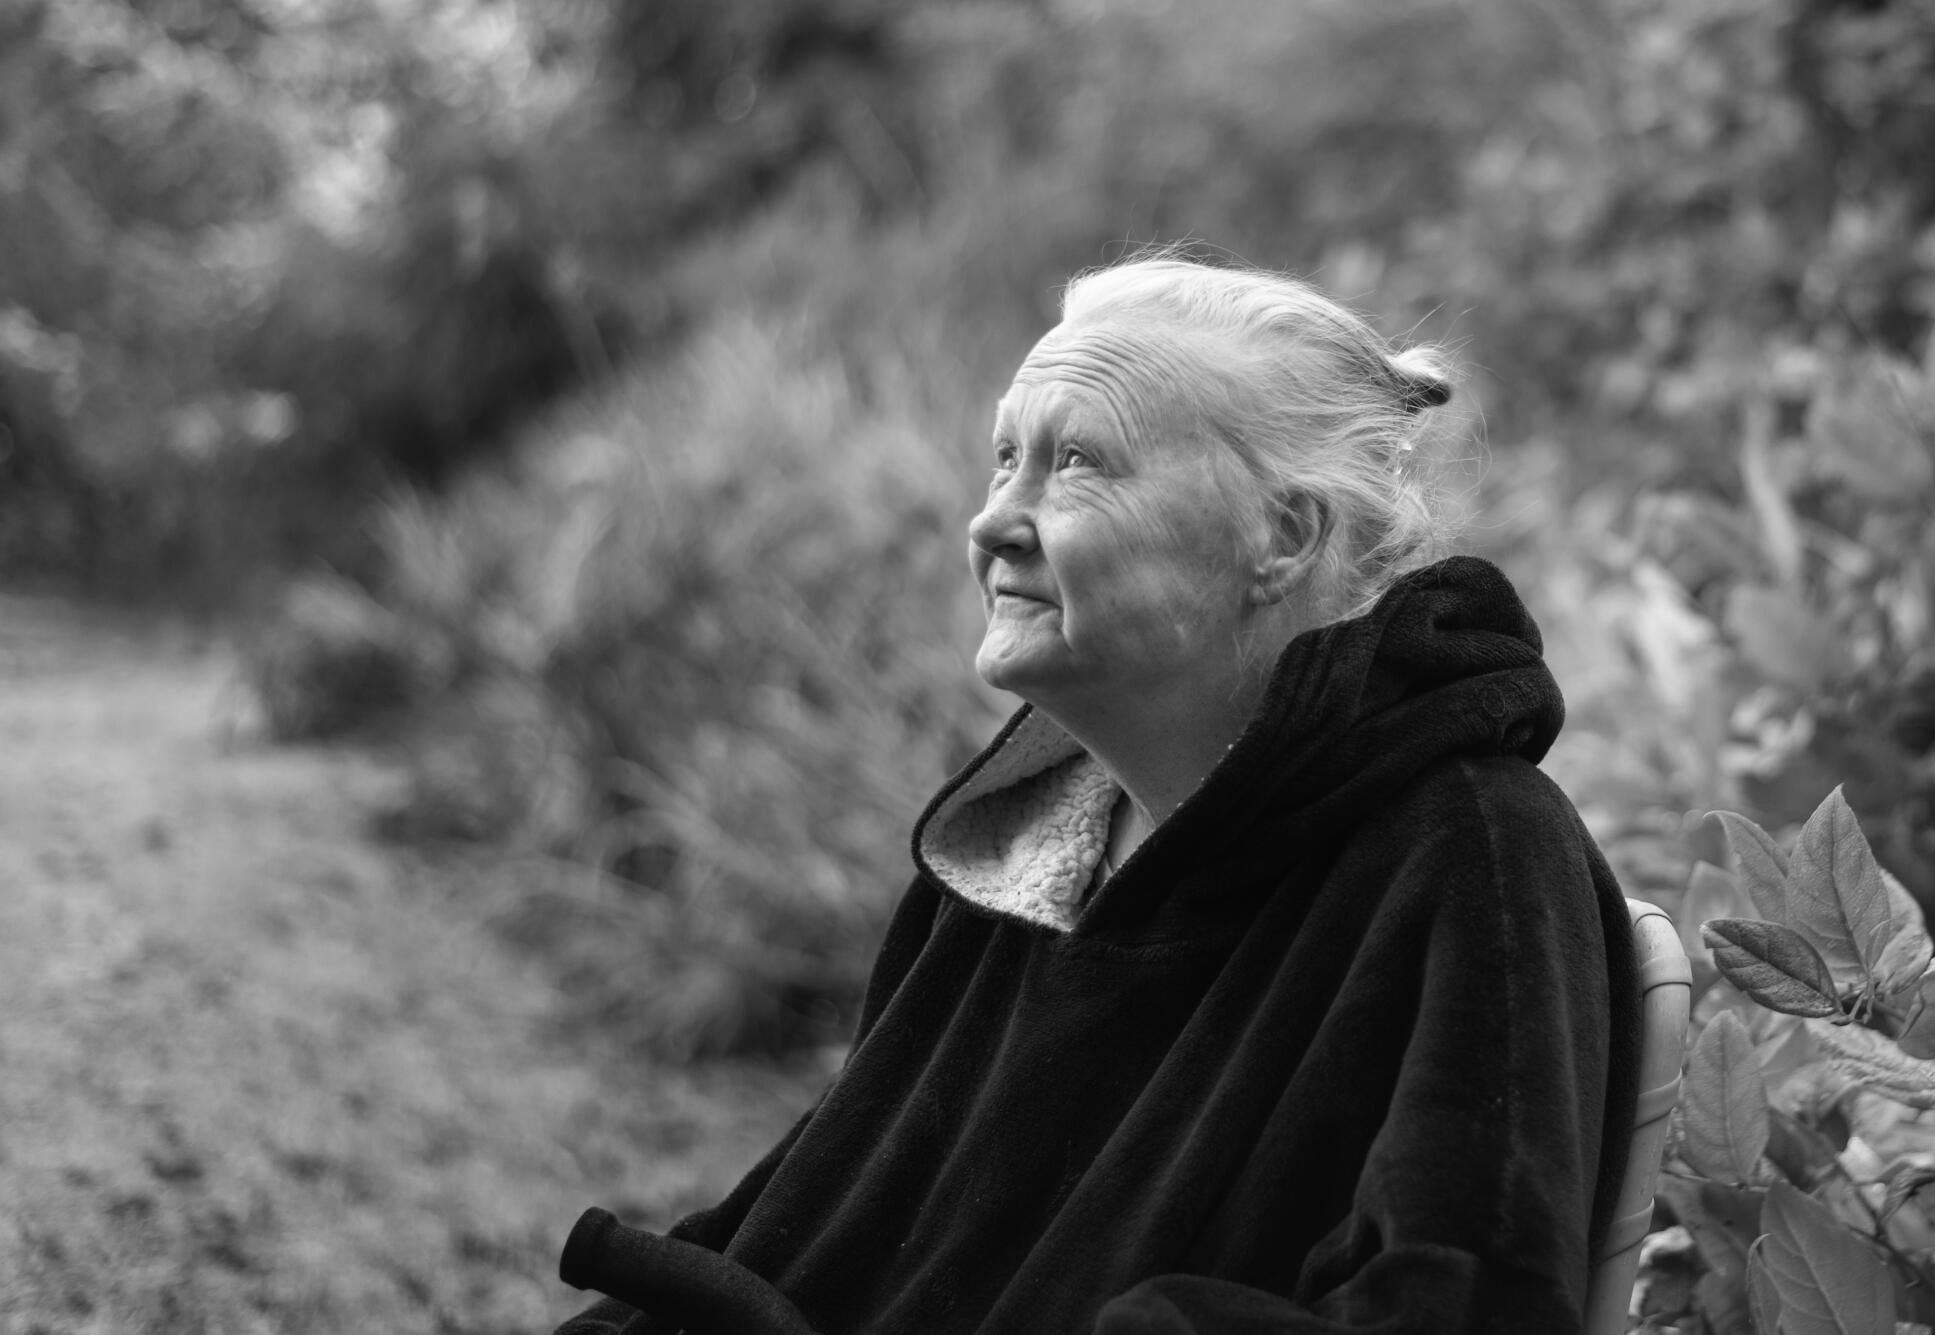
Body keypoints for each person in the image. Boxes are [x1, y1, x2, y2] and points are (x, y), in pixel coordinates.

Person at [551, 256, 1641, 1334]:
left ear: (1284, 536)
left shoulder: (1470, 854)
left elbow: (1462, 1297)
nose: (992, 523)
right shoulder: (1018, 842)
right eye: (1003, 458)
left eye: (1074, 463)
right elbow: (806, 1228)